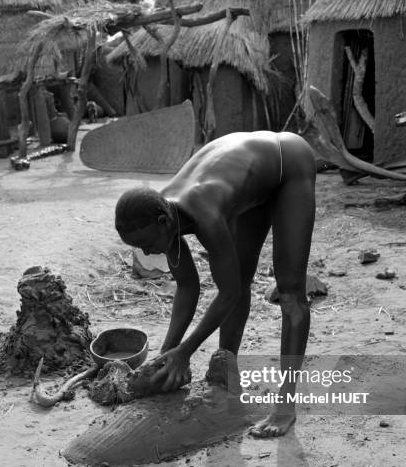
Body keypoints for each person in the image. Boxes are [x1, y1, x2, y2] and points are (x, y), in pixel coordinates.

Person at [114, 131, 316, 437]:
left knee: (290, 293)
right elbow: (187, 287)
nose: (146, 252)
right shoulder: (160, 211)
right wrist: (166, 353)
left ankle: (285, 408)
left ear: (162, 224)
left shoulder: (204, 213)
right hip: (251, 177)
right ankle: (227, 376)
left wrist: (186, 351)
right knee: (241, 275)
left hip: (288, 164)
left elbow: (228, 292)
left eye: (145, 244)